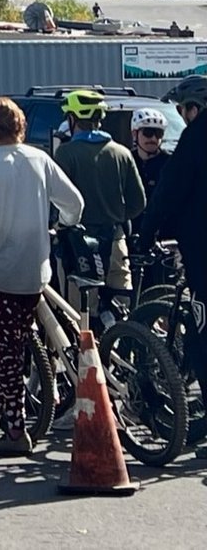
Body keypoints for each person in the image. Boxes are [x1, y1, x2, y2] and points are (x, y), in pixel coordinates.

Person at [0, 97, 84, 457]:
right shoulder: (40, 159)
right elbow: (75, 202)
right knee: (31, 335)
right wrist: (62, 226)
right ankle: (24, 402)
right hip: (38, 267)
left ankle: (15, 430)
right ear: (20, 127)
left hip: (4, 270)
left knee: (8, 353)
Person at [137, 75, 207, 444]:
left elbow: (167, 193)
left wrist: (145, 236)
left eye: (182, 111)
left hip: (202, 253)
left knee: (201, 340)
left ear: (193, 109)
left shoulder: (195, 139)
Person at [53, 88, 146, 320]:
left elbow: (55, 201)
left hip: (78, 245)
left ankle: (85, 355)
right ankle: (121, 351)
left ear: (72, 119)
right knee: (120, 307)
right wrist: (117, 215)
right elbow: (139, 202)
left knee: (81, 314)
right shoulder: (122, 153)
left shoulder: (66, 153)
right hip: (115, 239)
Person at [129, 106, 171, 202]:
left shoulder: (170, 163)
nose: (153, 138)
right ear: (135, 134)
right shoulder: (127, 160)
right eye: (148, 133)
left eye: (158, 133)